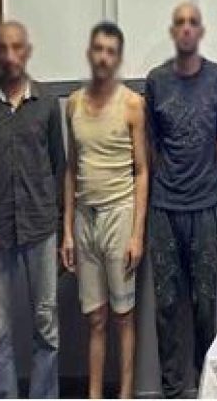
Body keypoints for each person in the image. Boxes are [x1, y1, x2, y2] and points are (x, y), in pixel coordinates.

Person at [0, 21, 64, 398]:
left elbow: (58, 167)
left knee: (47, 328)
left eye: (17, 47)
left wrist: (64, 232)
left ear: (27, 51)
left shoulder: (47, 104)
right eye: (3, 48)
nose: (10, 56)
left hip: (41, 228)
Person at [144, 2, 217, 397]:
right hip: (164, 207)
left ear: (201, 31)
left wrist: (200, 181)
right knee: (165, 305)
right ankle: (172, 389)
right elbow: (152, 145)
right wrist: (172, 180)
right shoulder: (156, 81)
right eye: (179, 22)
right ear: (172, 31)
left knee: (204, 302)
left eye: (193, 22)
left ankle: (205, 383)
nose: (186, 29)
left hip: (205, 207)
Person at [60, 22, 148, 399]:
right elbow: (71, 169)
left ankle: (125, 395)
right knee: (94, 317)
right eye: (98, 49)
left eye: (111, 51)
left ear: (118, 58)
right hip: (85, 218)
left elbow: (142, 171)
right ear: (90, 53)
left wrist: (137, 234)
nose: (103, 57)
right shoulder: (73, 104)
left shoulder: (132, 105)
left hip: (119, 214)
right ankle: (94, 395)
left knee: (123, 316)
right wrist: (67, 230)